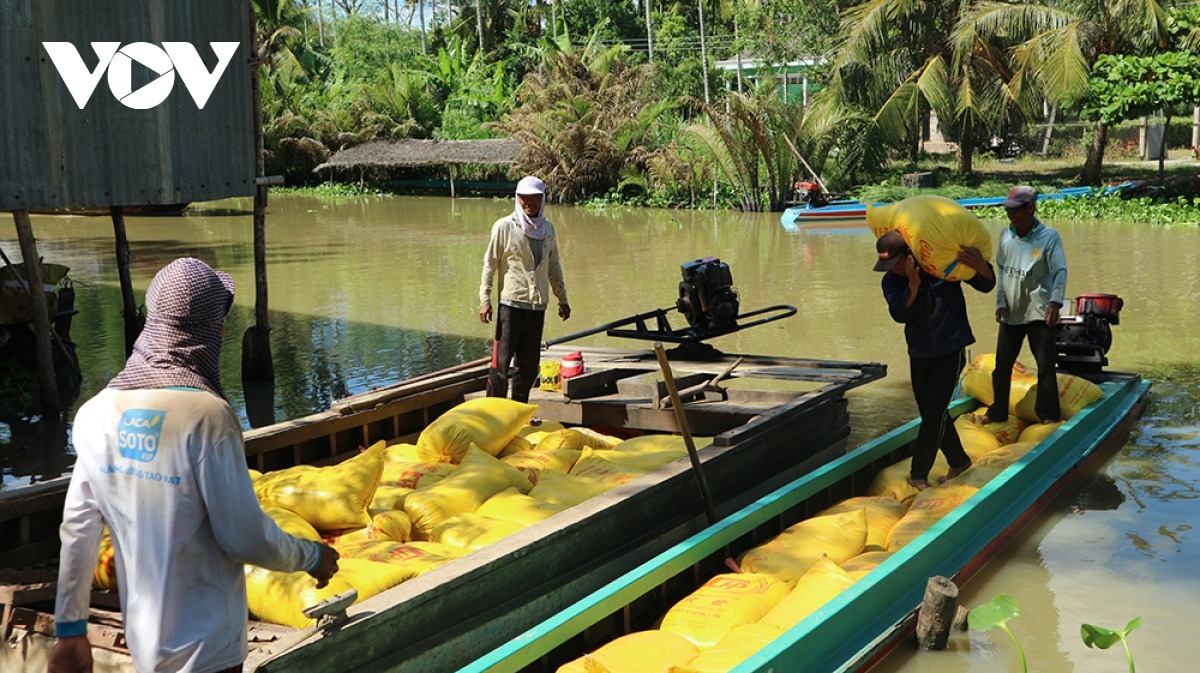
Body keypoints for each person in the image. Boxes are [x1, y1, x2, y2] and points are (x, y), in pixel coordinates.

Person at [49, 258, 339, 673]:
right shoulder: (207, 416)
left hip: (144, 643)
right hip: (210, 649)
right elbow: (243, 537)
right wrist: (311, 556)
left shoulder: (95, 414)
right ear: (214, 329)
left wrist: (71, 628)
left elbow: (78, 531)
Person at [875, 230, 996, 490]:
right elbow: (900, 314)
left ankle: (918, 474)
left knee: (932, 415)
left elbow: (986, 284)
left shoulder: (940, 267)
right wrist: (914, 284)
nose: (892, 269)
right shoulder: (892, 282)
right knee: (932, 413)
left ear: (909, 255)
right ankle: (960, 461)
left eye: (895, 263)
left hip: (950, 349)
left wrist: (980, 266)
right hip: (919, 352)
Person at [978, 186, 1068, 425]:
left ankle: (1048, 415)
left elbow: (1060, 271)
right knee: (1002, 366)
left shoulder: (1049, 237)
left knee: (1045, 366)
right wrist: (1000, 302)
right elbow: (1002, 270)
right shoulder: (1006, 235)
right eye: (1008, 210)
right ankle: (998, 411)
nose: (1011, 215)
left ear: (1030, 208)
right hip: (1012, 311)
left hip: (1039, 310)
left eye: (1016, 210)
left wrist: (1055, 302)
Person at [479, 176, 570, 404]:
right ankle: (493, 412)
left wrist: (562, 298)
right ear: (517, 200)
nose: (530, 203)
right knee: (500, 364)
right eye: (525, 199)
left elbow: (554, 266)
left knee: (528, 366)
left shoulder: (548, 228)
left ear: (543, 200)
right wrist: (485, 299)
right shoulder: (505, 226)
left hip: (537, 306)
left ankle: (519, 411)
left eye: (535, 199)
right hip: (511, 305)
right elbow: (490, 263)